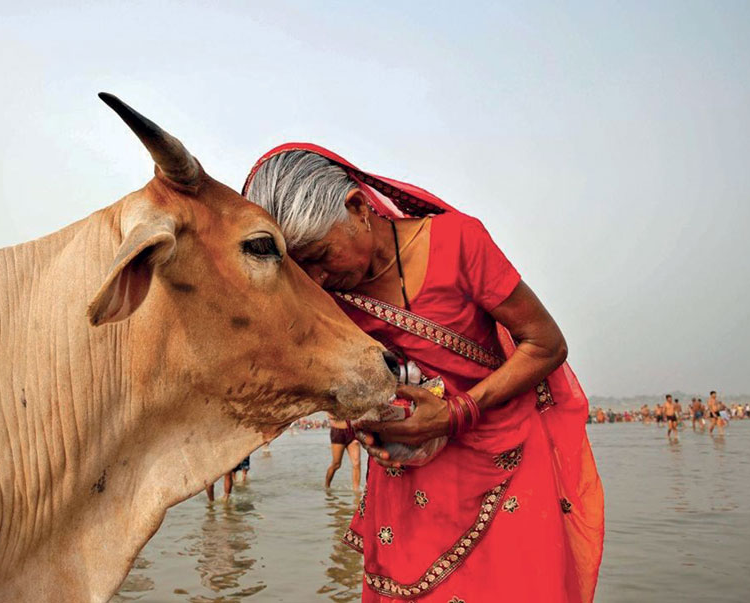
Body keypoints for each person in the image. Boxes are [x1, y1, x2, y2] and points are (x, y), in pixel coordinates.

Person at [244, 144, 604, 602]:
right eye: (301, 269)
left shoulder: (458, 243)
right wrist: (366, 427)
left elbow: (546, 344)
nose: (314, 279)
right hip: (408, 479)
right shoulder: (327, 298)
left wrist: (455, 414)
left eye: (319, 256)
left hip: (503, 460)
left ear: (357, 208)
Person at [326, 412, 363, 491]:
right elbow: (330, 414)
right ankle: (327, 486)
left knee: (356, 463)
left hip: (352, 432)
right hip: (338, 431)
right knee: (336, 464)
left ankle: (356, 491)